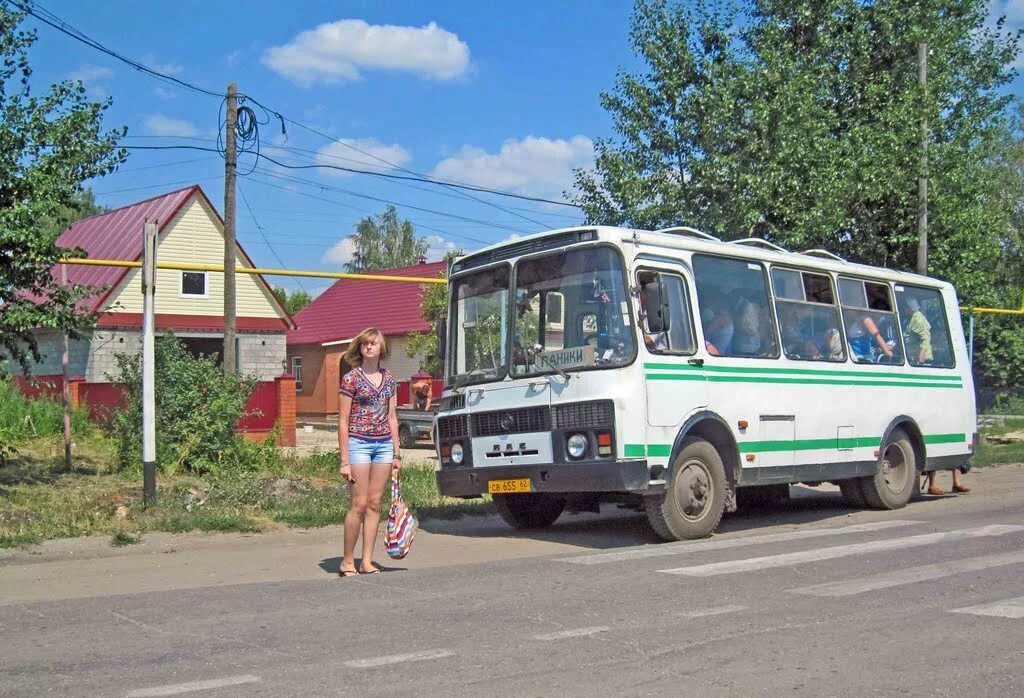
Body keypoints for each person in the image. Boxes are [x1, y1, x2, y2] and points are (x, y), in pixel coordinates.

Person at [338, 327, 402, 577]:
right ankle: (347, 561)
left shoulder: (389, 379)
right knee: (359, 504)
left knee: (375, 503)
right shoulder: (351, 378)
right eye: (364, 344)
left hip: (384, 445)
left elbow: (392, 416)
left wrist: (397, 454)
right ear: (359, 348)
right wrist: (345, 460)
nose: (368, 347)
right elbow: (343, 420)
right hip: (359, 444)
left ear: (381, 348)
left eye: (373, 343)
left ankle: (366, 561)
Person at [902, 297, 933, 365]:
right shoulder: (908, 319)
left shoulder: (918, 319)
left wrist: (922, 354)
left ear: (910, 307)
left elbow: (926, 337)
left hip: (922, 361)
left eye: (905, 308)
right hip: (913, 359)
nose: (904, 310)